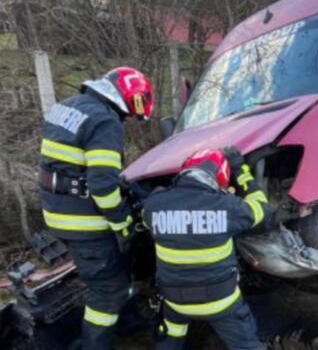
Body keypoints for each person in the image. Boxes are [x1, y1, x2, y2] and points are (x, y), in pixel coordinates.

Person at [38, 67, 154, 349]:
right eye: (134, 108)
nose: (129, 117)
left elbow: (75, 166)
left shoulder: (67, 107)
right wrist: (123, 223)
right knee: (107, 292)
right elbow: (102, 186)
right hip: (85, 222)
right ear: (127, 96)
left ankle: (127, 322)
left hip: (60, 211)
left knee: (117, 271)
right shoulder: (104, 121)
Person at [142, 147, 272, 350]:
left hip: (175, 302)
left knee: (170, 340)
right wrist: (241, 171)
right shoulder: (228, 206)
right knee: (247, 346)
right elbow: (262, 208)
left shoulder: (154, 204)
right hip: (220, 302)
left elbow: (147, 222)